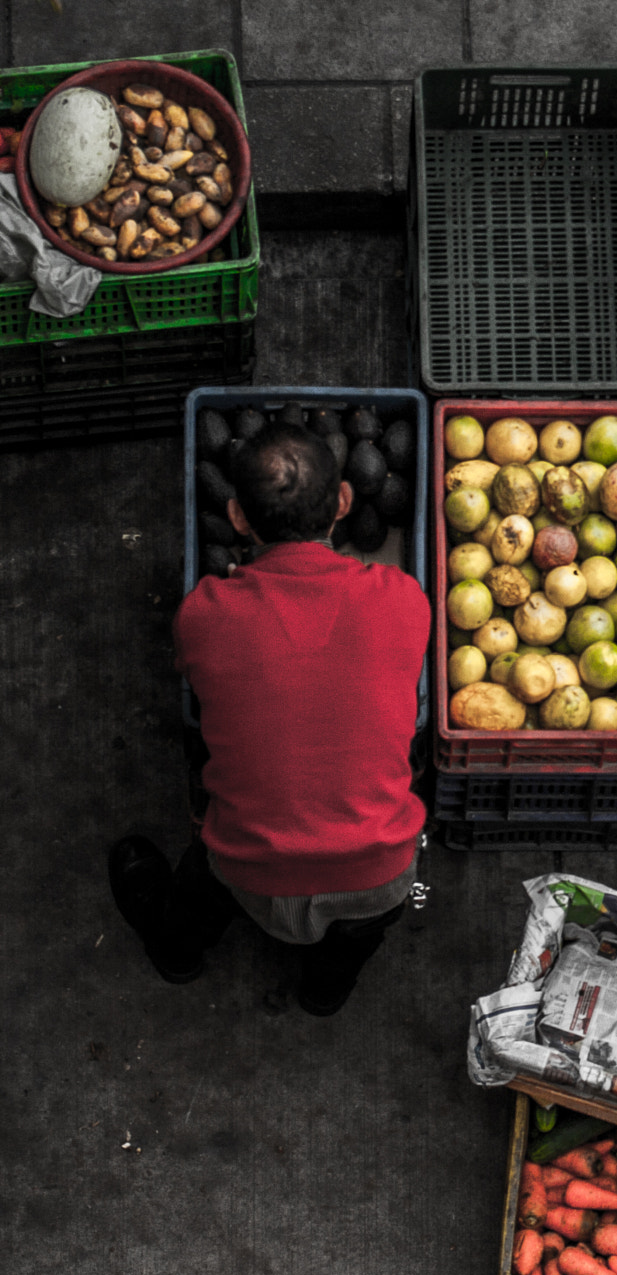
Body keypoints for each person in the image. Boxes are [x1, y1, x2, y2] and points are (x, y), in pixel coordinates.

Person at [108, 421, 430, 1015]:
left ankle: (177, 953)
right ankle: (324, 993)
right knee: (353, 943)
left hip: (250, 868)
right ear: (343, 501)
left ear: (236, 517)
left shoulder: (204, 612)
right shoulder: (404, 597)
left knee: (202, 883)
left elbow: (197, 666)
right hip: (383, 875)